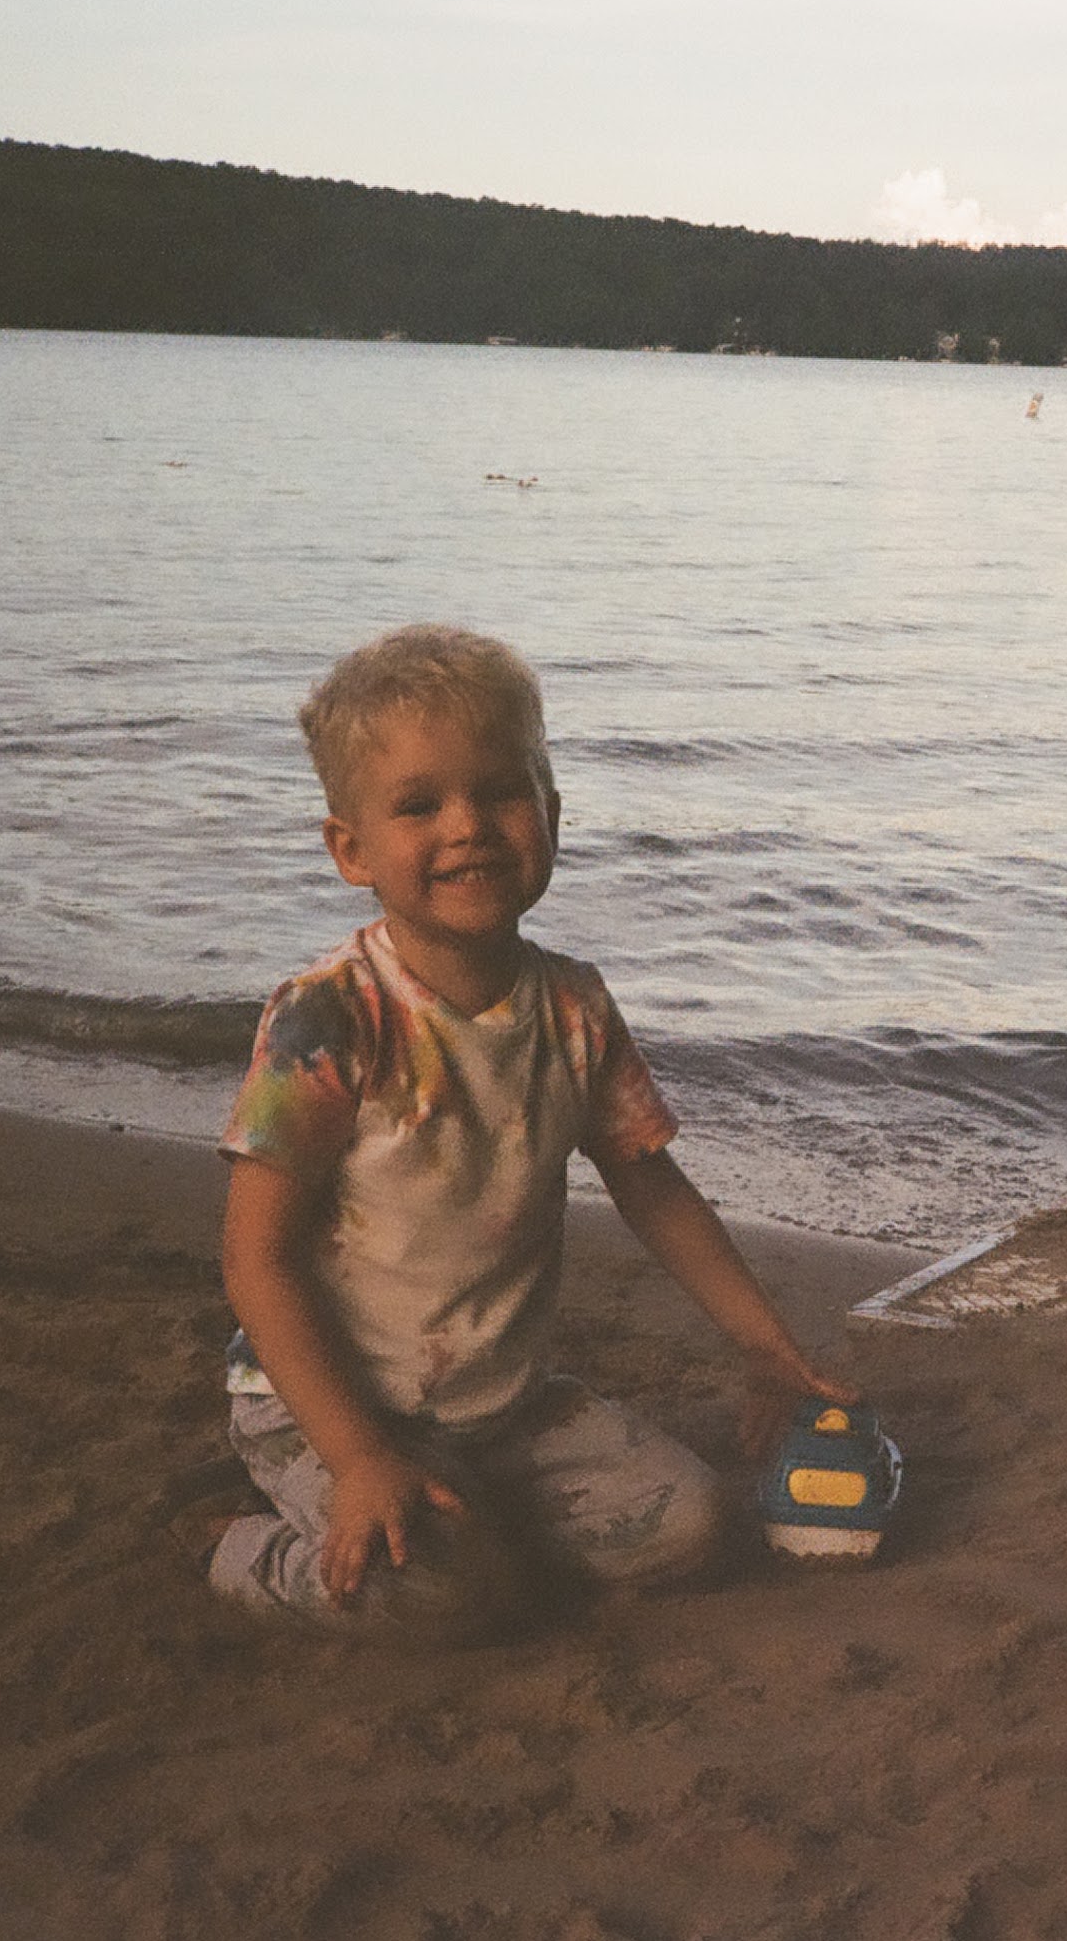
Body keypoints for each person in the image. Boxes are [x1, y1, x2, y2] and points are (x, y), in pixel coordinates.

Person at [205, 622, 855, 1639]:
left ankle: (473, 1517)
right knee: (439, 1596)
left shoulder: (574, 1010)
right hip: (325, 1405)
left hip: (503, 1407)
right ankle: (240, 1549)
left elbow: (652, 1186)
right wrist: (361, 1458)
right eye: (419, 806)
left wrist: (764, 1344)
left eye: (502, 792)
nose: (468, 827)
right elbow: (255, 1260)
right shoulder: (331, 1018)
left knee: (692, 1527)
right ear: (351, 849)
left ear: (551, 814)